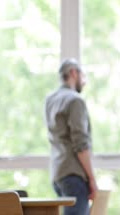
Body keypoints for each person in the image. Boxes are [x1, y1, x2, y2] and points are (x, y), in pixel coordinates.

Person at [44, 58, 97, 215]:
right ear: (73, 73)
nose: (84, 81)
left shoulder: (50, 100)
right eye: (83, 76)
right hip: (74, 174)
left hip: (57, 173)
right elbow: (80, 144)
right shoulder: (75, 100)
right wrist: (92, 179)